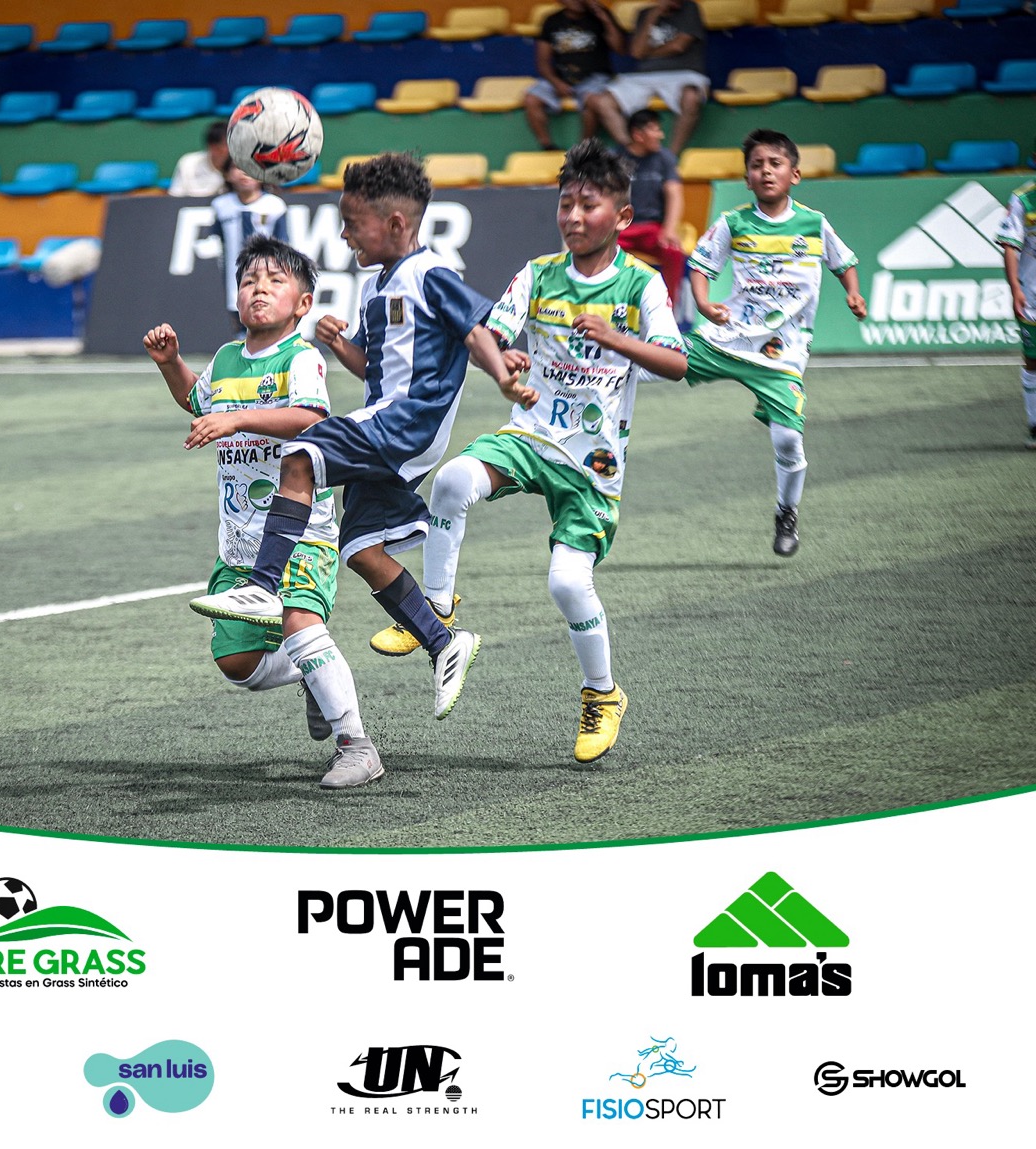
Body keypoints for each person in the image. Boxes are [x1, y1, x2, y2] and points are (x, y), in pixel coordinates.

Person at [189, 153, 537, 788]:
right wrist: (340, 345)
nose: (345, 233)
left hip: (406, 423)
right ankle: (444, 642)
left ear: (395, 223)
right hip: (388, 416)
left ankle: (263, 585)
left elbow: (475, 331)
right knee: (360, 549)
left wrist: (502, 374)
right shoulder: (377, 287)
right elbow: (376, 370)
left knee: (302, 454)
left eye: (353, 223)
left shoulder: (430, 273)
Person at [370, 140, 687, 763]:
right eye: (566, 204)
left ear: (622, 217)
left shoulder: (641, 284)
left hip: (594, 465)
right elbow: (492, 333)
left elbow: (676, 363)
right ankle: (436, 611)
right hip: (531, 437)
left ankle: (602, 693)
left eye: (588, 205)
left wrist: (617, 339)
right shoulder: (537, 274)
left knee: (567, 584)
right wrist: (506, 362)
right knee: (453, 480)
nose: (573, 216)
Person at [143, 236, 345, 779]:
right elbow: (197, 400)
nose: (259, 289)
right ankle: (311, 671)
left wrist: (236, 419)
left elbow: (310, 418)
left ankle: (357, 746)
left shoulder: (301, 357)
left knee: (300, 624)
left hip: (299, 532)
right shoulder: (228, 357)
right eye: (249, 281)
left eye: (276, 281)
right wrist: (171, 364)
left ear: (303, 303)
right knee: (237, 664)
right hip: (239, 540)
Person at [685, 128, 866, 557]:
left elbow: (843, 262)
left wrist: (853, 293)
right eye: (756, 165)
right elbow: (701, 266)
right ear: (747, 179)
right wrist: (704, 303)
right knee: (656, 362)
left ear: (794, 174)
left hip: (784, 352)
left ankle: (787, 512)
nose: (766, 171)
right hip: (730, 338)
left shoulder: (814, 223)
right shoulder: (732, 223)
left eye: (775, 164)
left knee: (787, 440)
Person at [604, 0, 709, 155]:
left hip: (682, 73)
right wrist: (654, 14)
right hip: (643, 76)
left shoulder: (690, 8)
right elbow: (636, 52)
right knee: (602, 101)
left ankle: (670, 157)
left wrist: (648, 52)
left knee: (691, 97)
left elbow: (678, 46)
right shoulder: (644, 14)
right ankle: (633, 153)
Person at [524, 0, 627, 152]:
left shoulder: (600, 16)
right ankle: (547, 146)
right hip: (561, 77)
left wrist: (605, 20)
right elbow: (542, 63)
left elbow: (620, 49)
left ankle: (584, 149)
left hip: (595, 77)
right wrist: (556, 82)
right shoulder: (552, 21)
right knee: (531, 99)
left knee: (591, 100)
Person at [614, 108, 686, 305]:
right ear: (638, 135)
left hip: (652, 229)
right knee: (598, 251)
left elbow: (674, 194)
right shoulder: (614, 159)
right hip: (620, 228)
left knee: (673, 251)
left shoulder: (665, 158)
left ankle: (667, 308)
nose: (661, 135)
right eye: (655, 130)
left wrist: (669, 228)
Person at [211, 161, 289, 327]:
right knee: (239, 318)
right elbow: (215, 240)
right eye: (238, 168)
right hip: (233, 273)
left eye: (251, 167)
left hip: (266, 272)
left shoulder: (274, 205)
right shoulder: (221, 206)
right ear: (227, 174)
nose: (245, 173)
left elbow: (283, 243)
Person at [996, 167, 1036, 448]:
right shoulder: (1023, 199)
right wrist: (1015, 288)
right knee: (1033, 361)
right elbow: (1010, 246)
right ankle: (1035, 425)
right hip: (1032, 297)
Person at [168, 122, 230, 198]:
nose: (230, 150)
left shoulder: (238, 168)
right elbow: (175, 196)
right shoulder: (188, 163)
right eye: (226, 145)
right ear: (212, 147)